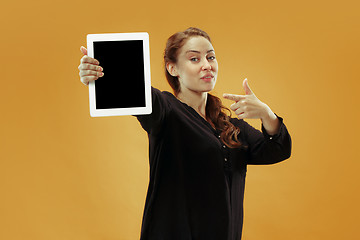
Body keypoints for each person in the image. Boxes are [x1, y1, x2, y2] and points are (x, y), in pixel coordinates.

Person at [78, 27, 292, 240]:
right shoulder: (167, 111)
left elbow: (277, 150)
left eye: (211, 57)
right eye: (194, 59)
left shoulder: (231, 127)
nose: (207, 65)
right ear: (173, 69)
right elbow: (137, 92)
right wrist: (98, 74)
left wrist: (266, 114)